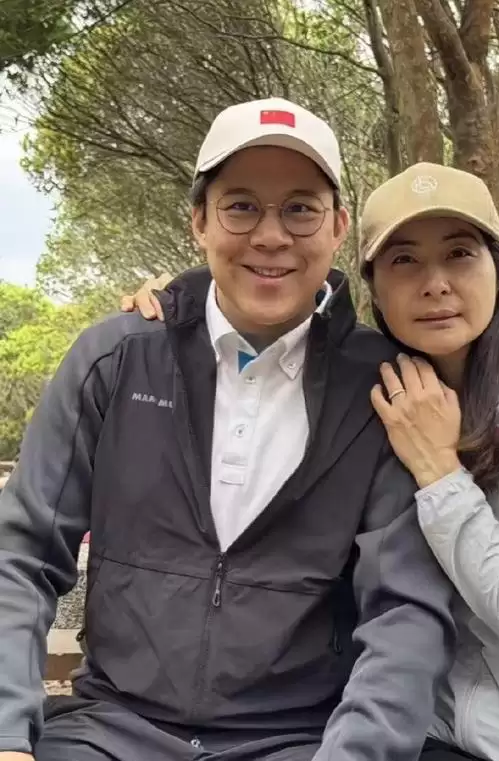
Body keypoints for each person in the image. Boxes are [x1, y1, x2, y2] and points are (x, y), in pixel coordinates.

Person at [127, 161, 499, 761]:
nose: (435, 284)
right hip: (434, 734)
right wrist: (186, 308)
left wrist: (440, 472)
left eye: (459, 254)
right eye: (404, 260)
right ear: (375, 288)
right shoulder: (385, 394)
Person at [0, 100, 461, 761]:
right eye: (241, 207)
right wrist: (7, 733)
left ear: (338, 226)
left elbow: (405, 611)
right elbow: (19, 554)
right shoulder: (116, 359)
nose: (270, 236)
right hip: (110, 733)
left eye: (300, 209)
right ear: (199, 222)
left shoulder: (386, 392)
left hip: (299, 741)